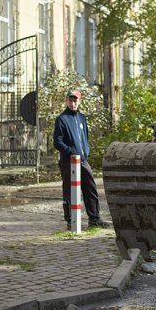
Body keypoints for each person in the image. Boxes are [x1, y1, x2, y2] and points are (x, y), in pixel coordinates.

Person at [53, 89, 108, 229]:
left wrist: (86, 151)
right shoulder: (62, 119)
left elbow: (85, 138)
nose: (73, 103)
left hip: (82, 160)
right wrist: (70, 152)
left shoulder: (82, 118)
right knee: (69, 191)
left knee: (90, 187)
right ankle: (70, 221)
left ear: (79, 101)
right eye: (70, 100)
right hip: (68, 161)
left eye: (75, 100)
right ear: (66, 101)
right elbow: (57, 142)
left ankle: (94, 219)